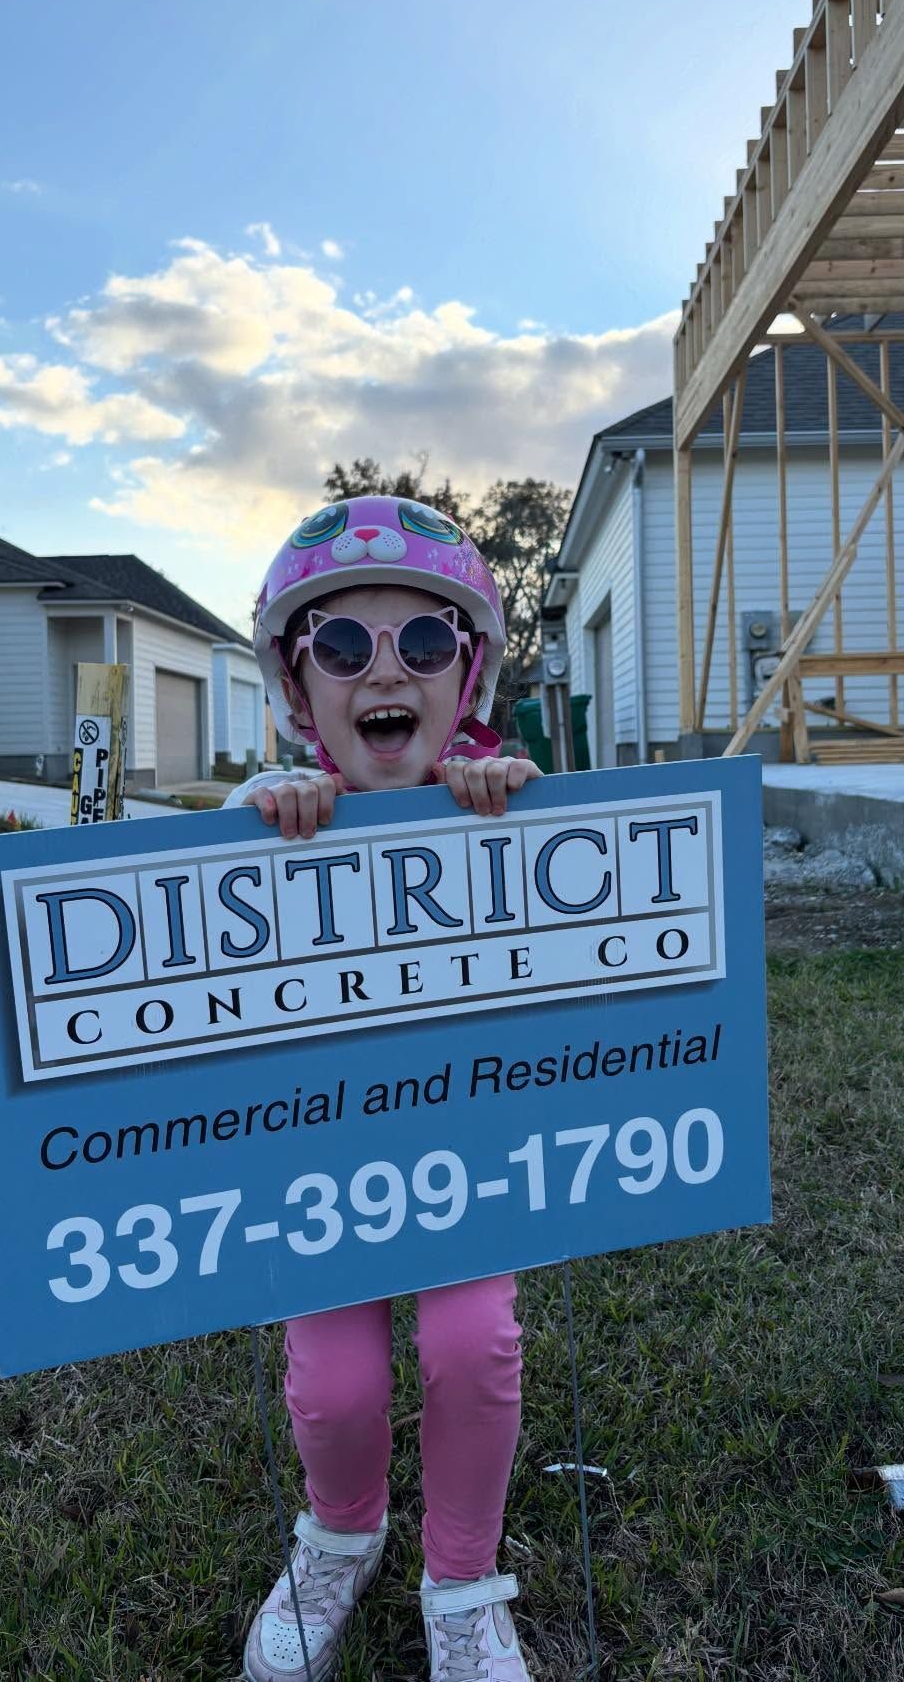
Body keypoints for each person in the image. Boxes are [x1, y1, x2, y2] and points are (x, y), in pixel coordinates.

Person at [228, 495, 543, 1682]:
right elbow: (187, 910)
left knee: (476, 1345)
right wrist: (266, 819)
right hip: (319, 1167)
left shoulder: (497, 800)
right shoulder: (265, 817)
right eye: (344, 648)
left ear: (464, 677)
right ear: (298, 688)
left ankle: (462, 1580)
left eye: (421, 643)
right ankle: (342, 1534)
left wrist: (511, 802)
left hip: (468, 1155)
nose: (383, 673)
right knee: (336, 1380)